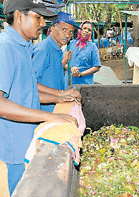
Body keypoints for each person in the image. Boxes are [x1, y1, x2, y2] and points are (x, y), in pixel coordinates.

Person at [0, 0, 79, 195]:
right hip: (17, 139)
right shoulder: (5, 48)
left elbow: (28, 88)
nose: (43, 23)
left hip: (30, 133)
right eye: (38, 17)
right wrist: (50, 116)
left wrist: (59, 98)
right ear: (18, 16)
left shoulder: (24, 46)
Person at [33, 11, 81, 113]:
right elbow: (31, 84)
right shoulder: (43, 49)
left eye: (71, 32)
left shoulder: (58, 51)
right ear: (52, 27)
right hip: (42, 112)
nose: (67, 35)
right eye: (64, 29)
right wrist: (61, 93)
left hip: (55, 110)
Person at [63, 20, 101, 87]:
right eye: (84, 28)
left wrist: (81, 74)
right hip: (69, 83)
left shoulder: (92, 47)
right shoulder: (71, 44)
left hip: (85, 84)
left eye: (89, 30)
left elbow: (96, 67)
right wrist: (70, 68)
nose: (86, 31)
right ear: (80, 29)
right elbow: (62, 61)